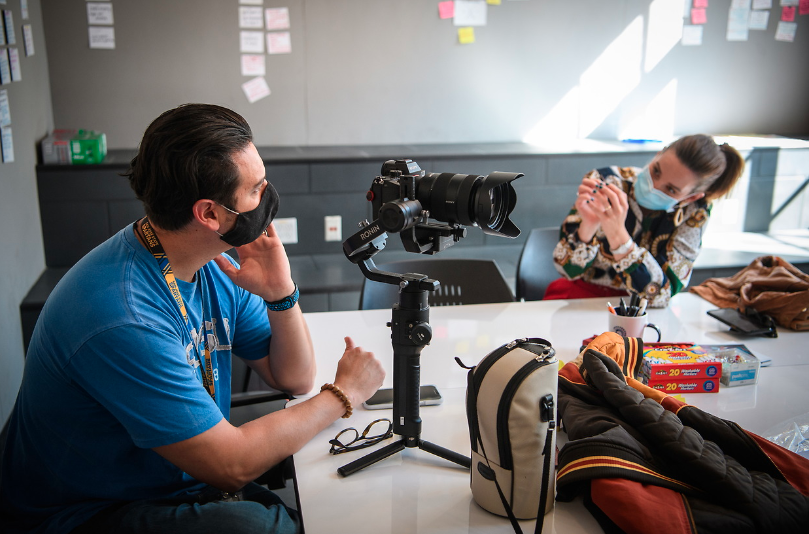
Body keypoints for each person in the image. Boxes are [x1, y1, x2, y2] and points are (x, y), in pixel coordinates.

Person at [0, 104, 385, 534]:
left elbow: (293, 377)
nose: (267, 195)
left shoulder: (212, 264)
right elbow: (231, 465)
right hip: (85, 510)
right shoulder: (124, 317)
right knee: (266, 526)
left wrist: (280, 293)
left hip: (173, 476)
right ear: (210, 214)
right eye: (256, 188)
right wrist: (344, 394)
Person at [548, 134, 745, 307]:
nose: (653, 186)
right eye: (656, 170)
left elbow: (661, 294)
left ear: (691, 197)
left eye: (671, 189)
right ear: (658, 154)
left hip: (641, 311)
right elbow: (565, 269)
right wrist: (588, 227)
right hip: (581, 299)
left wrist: (619, 237)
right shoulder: (607, 182)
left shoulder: (694, 213)